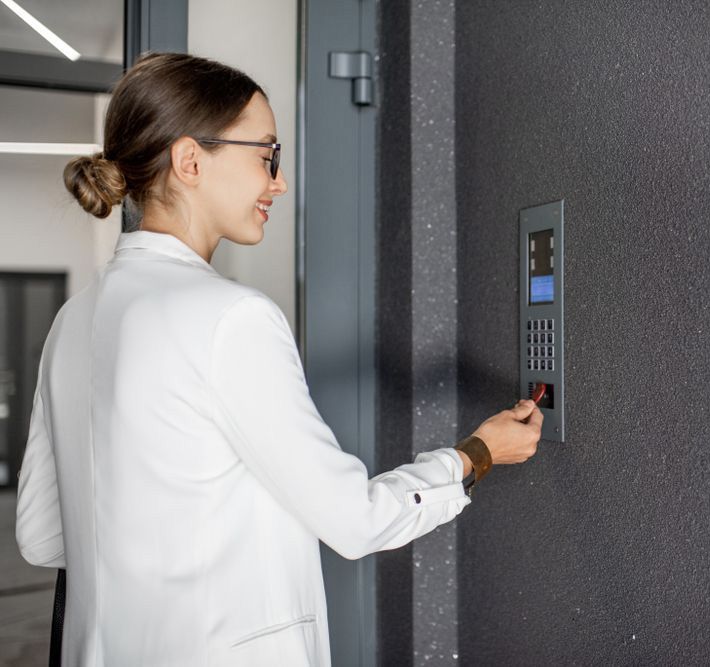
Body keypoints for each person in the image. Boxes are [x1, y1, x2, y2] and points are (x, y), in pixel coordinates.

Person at [15, 52, 542, 666]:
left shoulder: (71, 321)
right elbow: (355, 520)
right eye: (267, 155)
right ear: (190, 161)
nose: (279, 182)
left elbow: (40, 534)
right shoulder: (231, 318)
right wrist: (477, 454)